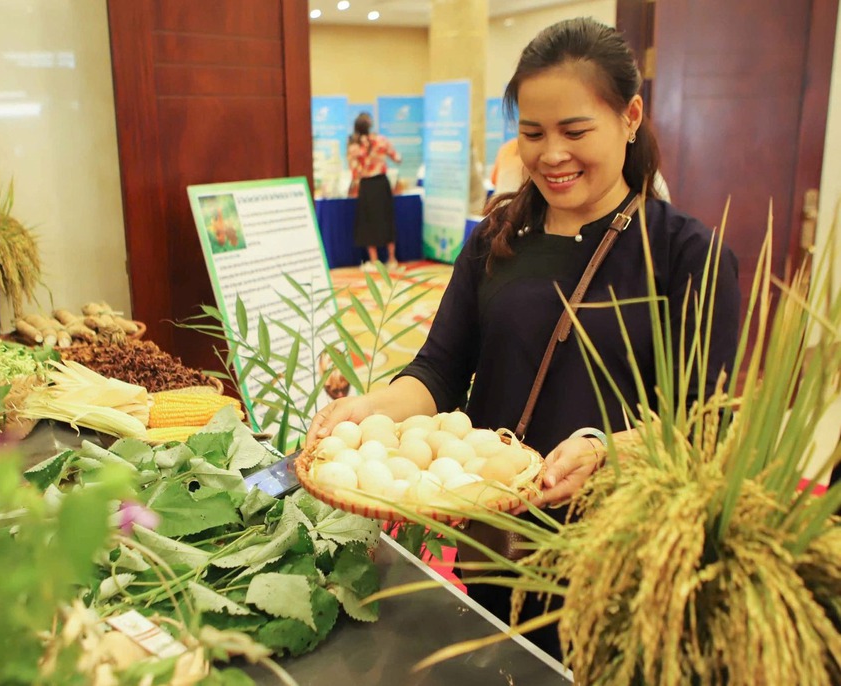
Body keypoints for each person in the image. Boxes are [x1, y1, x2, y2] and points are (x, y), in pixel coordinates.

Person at [308, 17, 740, 658]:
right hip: (497, 544)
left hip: (617, 562)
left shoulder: (687, 254)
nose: (551, 154)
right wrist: (370, 408)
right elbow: (440, 371)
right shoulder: (495, 239)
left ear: (630, 117)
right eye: (532, 133)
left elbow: (707, 425)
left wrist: (607, 450)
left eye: (575, 131)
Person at [348, 112, 402, 270]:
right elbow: (397, 158)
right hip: (382, 184)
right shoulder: (381, 141)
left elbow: (354, 170)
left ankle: (374, 261)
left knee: (368, 222)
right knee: (387, 219)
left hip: (367, 185)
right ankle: (392, 260)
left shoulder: (355, 146)